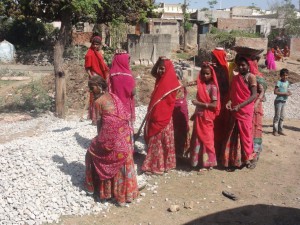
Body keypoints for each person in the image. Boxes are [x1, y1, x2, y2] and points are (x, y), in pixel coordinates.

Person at [85, 76, 138, 206]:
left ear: (99, 86)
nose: (91, 91)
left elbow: (99, 125)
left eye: (92, 88)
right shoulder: (114, 96)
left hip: (113, 140)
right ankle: (126, 194)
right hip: (125, 138)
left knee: (90, 152)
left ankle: (97, 190)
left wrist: (100, 144)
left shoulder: (98, 102)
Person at [142, 57, 181, 175]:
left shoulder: (172, 82)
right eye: (159, 68)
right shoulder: (160, 79)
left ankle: (157, 167)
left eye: (163, 69)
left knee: (158, 141)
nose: (160, 71)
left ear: (168, 69)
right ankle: (161, 165)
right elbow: (153, 72)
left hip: (163, 117)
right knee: (158, 142)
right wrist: (159, 61)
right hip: (156, 114)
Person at [222, 57, 257, 170]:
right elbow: (233, 94)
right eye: (239, 65)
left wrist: (240, 106)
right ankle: (235, 160)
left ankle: (250, 157)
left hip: (245, 111)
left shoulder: (251, 77)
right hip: (236, 110)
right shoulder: (236, 78)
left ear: (248, 65)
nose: (241, 67)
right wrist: (229, 102)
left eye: (243, 65)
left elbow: (253, 95)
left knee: (245, 135)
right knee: (234, 134)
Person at [189, 63, 220, 172]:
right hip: (199, 117)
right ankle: (198, 162)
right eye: (203, 73)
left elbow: (214, 105)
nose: (205, 75)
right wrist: (195, 114)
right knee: (198, 139)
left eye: (207, 73)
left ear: (212, 75)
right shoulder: (201, 86)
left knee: (207, 139)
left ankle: (209, 163)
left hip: (207, 118)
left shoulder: (213, 87)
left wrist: (199, 104)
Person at [85, 36, 110, 124]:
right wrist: (92, 77)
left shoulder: (100, 53)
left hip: (101, 77)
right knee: (95, 97)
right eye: (94, 44)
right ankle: (95, 118)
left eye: (97, 44)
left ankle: (103, 115)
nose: (95, 46)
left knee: (102, 95)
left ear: (100, 45)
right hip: (94, 77)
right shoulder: (89, 54)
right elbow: (87, 68)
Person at [211, 47, 230, 160]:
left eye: (214, 57)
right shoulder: (216, 68)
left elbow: (223, 88)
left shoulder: (222, 70)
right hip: (214, 100)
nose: (212, 59)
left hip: (220, 102)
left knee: (218, 127)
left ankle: (217, 152)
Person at [109, 51, 135, 123]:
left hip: (114, 105)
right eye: (127, 60)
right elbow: (133, 92)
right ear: (122, 61)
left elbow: (109, 89)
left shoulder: (112, 73)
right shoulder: (127, 74)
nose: (128, 62)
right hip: (126, 104)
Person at [172, 64, 190, 160]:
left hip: (180, 110)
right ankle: (179, 152)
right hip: (179, 110)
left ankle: (179, 152)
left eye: (177, 76)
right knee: (178, 131)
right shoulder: (182, 84)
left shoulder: (179, 84)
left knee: (179, 131)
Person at [273, 68, 292, 136]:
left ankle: (280, 130)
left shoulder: (287, 82)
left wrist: (289, 93)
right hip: (278, 101)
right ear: (281, 76)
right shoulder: (279, 82)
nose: (285, 77)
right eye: (283, 75)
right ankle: (275, 131)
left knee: (282, 116)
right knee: (277, 116)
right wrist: (284, 94)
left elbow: (287, 90)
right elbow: (275, 92)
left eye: (286, 75)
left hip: (284, 101)